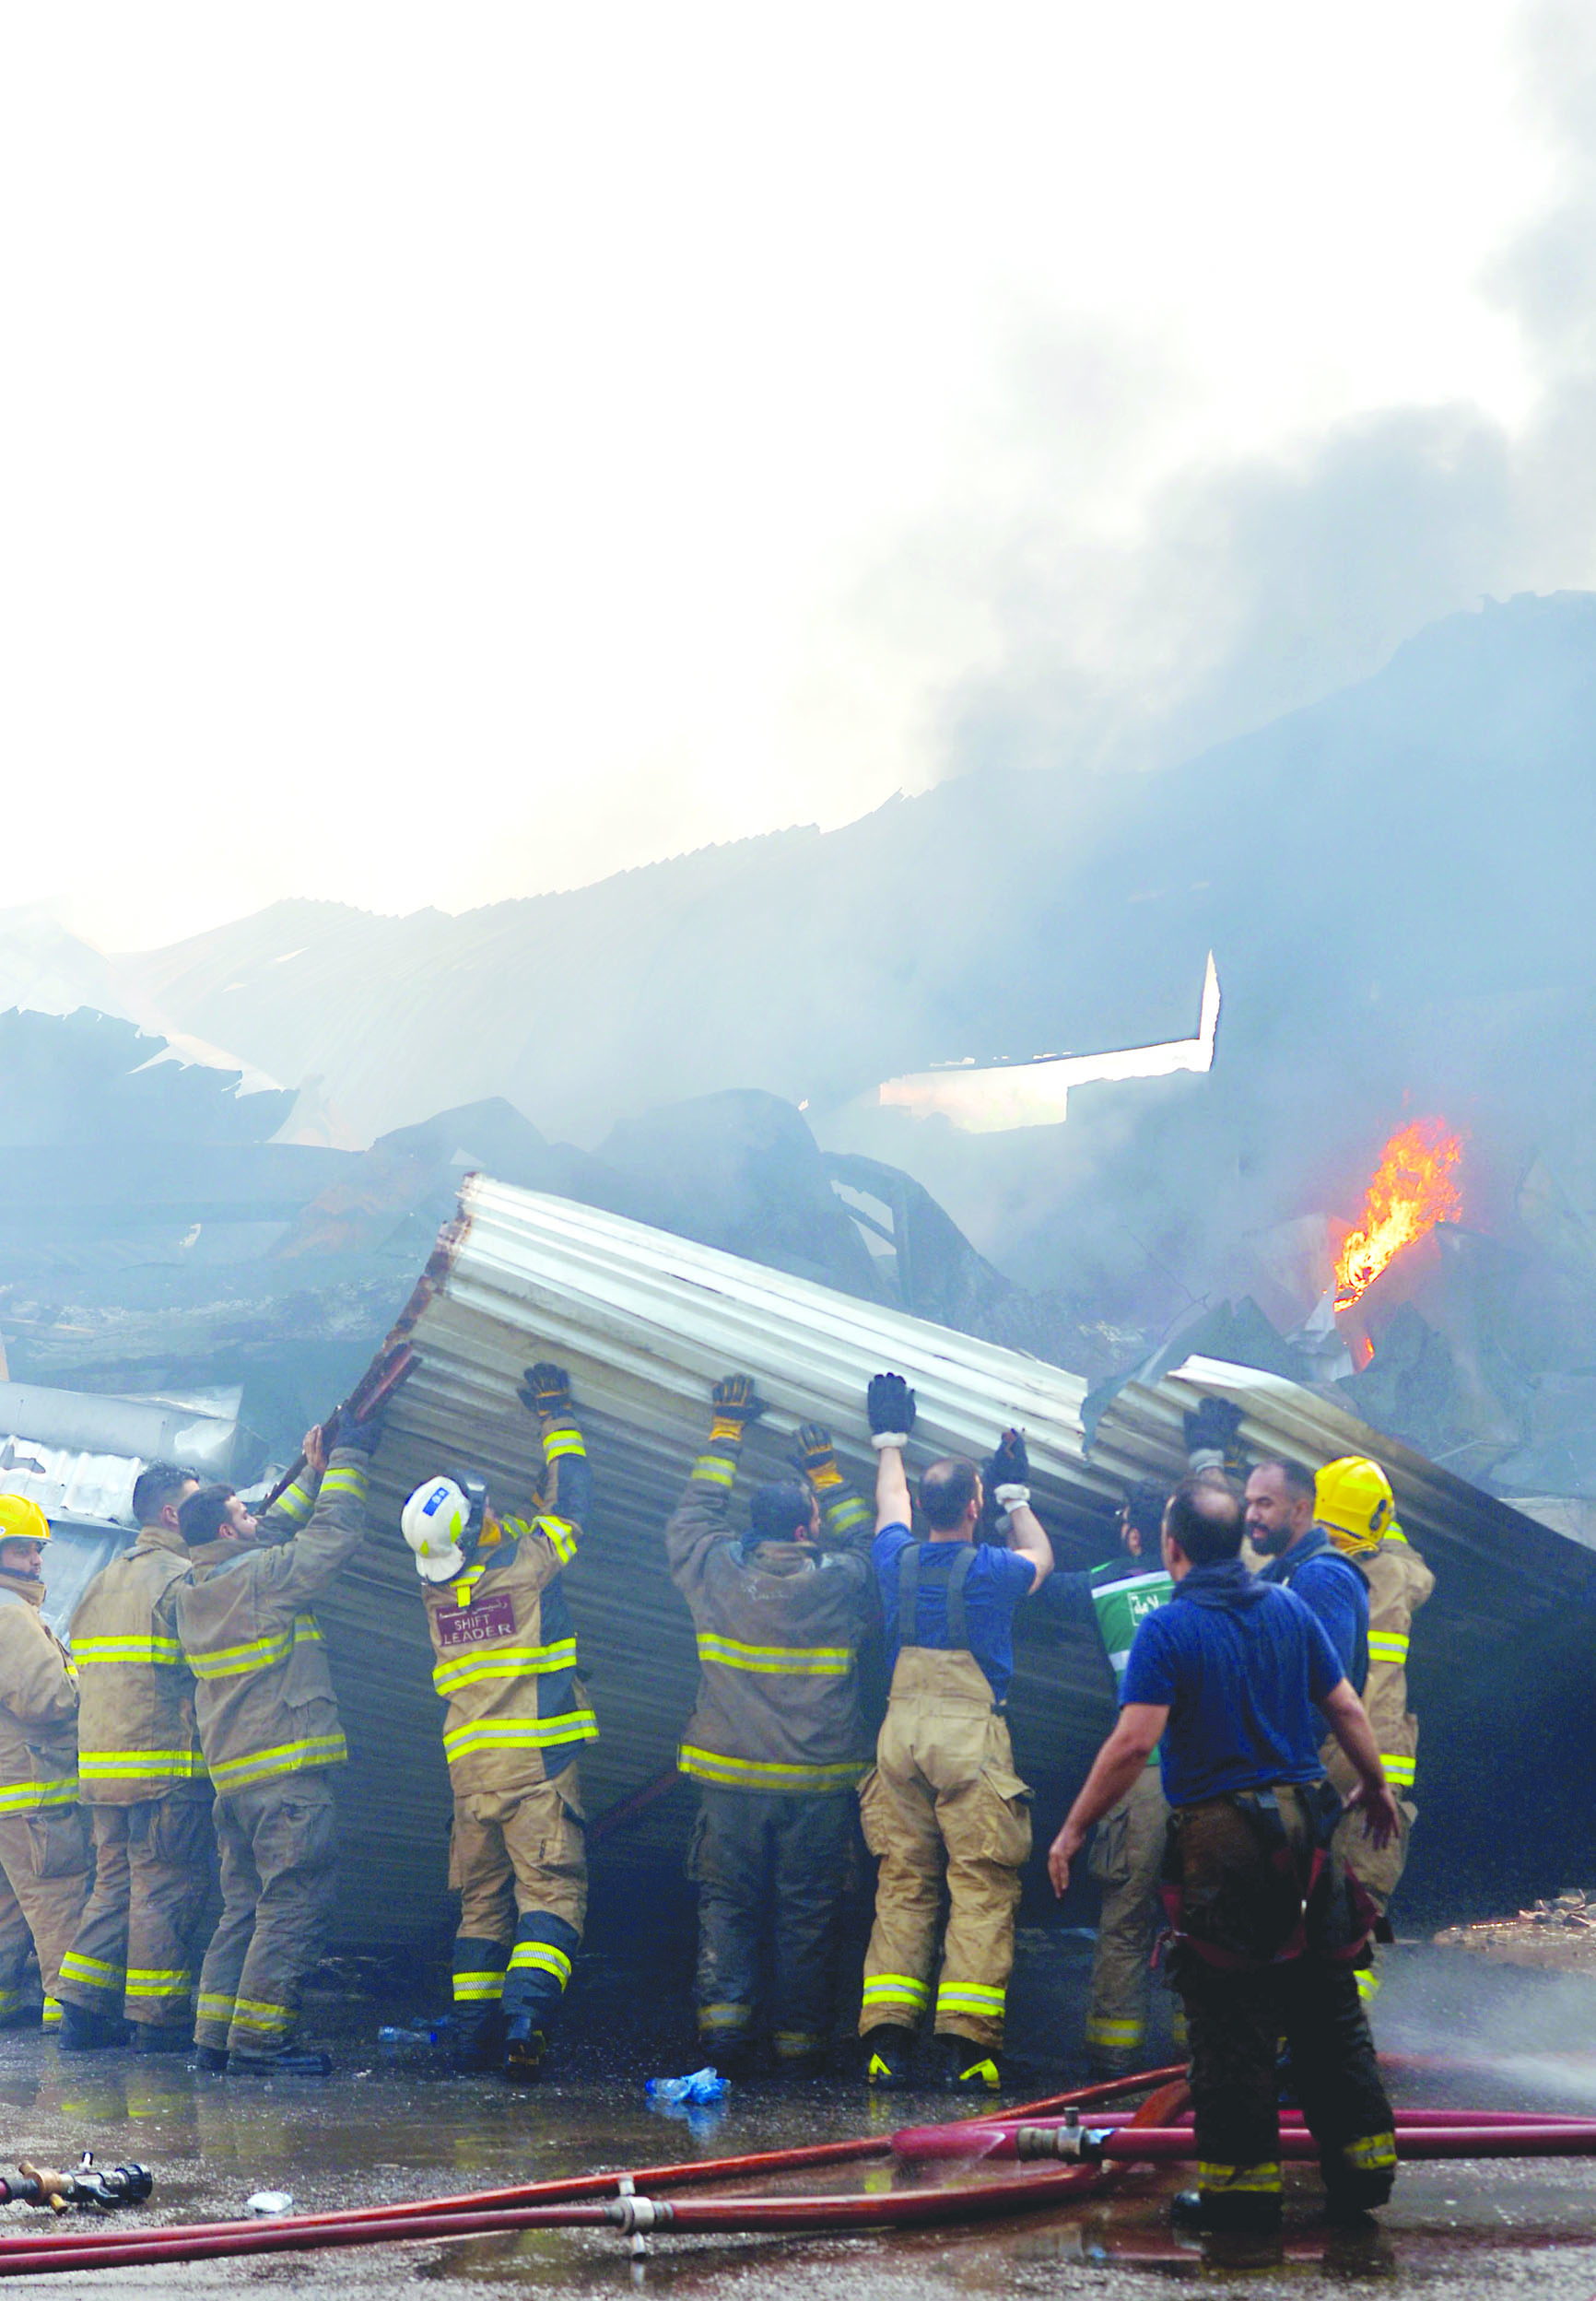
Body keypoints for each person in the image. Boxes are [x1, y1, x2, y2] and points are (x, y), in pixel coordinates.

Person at [1047, 1478, 1402, 2234]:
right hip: (1307, 1830)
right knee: (1325, 2003)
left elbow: (1134, 1742)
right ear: (1240, 1537)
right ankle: (1363, 2173)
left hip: (1224, 1843)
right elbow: (1344, 1706)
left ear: (1173, 1548)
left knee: (1231, 2017)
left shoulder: (1169, 1631)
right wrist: (1374, 1785)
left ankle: (1241, 2198)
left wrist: (1074, 1828)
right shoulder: (1290, 1606)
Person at [663, 1375, 874, 2074]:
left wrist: (728, 1425)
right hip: (816, 1784)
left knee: (727, 1901)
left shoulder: (717, 1571)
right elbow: (878, 1544)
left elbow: (694, 1513)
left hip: (729, 1778)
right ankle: (799, 2046)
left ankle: (722, 2036)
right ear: (806, 1528)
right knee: (807, 1913)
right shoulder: (843, 1578)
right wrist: (832, 1475)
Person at [400, 1363, 598, 2078]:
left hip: (470, 1775)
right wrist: (555, 1413)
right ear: (477, 1526)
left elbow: (500, 1536)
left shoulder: (437, 1592)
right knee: (551, 1895)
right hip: (536, 1769)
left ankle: (474, 2032)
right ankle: (527, 2020)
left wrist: (509, 1511)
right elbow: (572, 1503)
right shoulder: (524, 1566)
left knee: (482, 1908)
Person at [857, 1372, 1052, 2092]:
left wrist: (888, 1441)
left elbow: (888, 1506)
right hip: (970, 1739)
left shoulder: (895, 1559)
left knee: (903, 1881)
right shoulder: (996, 1571)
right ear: (973, 1508)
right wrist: (1017, 1495)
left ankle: (885, 2043)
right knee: (979, 1883)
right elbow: (1043, 1558)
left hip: (899, 1735)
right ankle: (968, 2049)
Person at [168, 1414, 381, 2073]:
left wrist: (310, 1471)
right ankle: (260, 2043)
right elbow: (331, 1538)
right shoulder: (262, 1578)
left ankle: (215, 2039)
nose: (257, 1516)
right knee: (293, 1902)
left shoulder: (191, 1589)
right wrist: (347, 1460)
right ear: (231, 1530)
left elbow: (273, 1533)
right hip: (286, 1775)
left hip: (234, 1782)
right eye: (244, 1512)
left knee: (244, 1909)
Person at [55, 1461, 214, 2054]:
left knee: (113, 1887)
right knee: (162, 1890)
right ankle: (158, 2020)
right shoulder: (182, 1579)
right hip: (164, 1770)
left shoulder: (101, 1580)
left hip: (100, 1772)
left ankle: (81, 2009)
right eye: (194, 1504)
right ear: (172, 1514)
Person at [1041, 1481, 1175, 2074]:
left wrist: (1014, 1501)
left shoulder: (1101, 1583)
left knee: (1126, 1919)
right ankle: (1199, 2054)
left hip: (1137, 1779)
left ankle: (1112, 2058)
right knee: (1205, 1919)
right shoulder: (1213, 1586)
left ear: (1134, 1535)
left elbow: (1033, 1581)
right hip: (1212, 1777)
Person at [1315, 1456, 1434, 1983]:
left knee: (1290, 1892)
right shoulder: (1400, 1573)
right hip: (1382, 1758)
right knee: (1364, 1901)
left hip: (1315, 1753)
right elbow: (1407, 1553)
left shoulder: (1304, 1574)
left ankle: (1282, 2031)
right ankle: (1350, 2026)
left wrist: (1213, 1460)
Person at [0, 1495, 88, 2036]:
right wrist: (87, 1680)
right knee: (57, 1897)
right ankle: (70, 2010)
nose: (36, 1561)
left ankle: (7, 2003)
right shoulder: (10, 1615)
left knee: (10, 1907)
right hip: (29, 1788)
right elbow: (47, 1699)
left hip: (7, 1794)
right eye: (24, 1549)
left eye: (38, 1550)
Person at [1241, 1453, 1369, 1690]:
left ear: (1300, 1510)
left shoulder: (1321, 1578)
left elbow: (1326, 1695)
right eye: (1249, 1503)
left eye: (1264, 1503)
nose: (1251, 1515)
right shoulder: (1280, 1572)